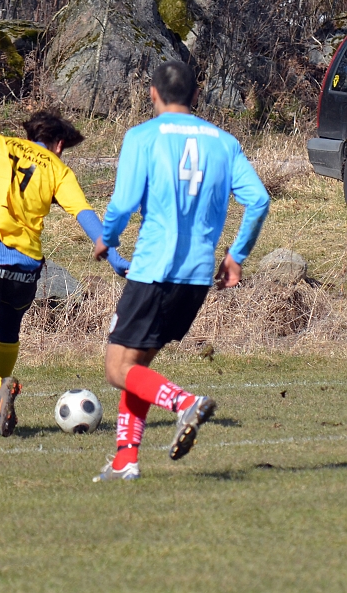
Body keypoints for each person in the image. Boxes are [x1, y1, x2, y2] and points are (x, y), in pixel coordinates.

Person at [90, 61, 270, 481]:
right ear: (196, 96)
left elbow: (124, 200)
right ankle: (124, 461)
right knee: (137, 368)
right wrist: (236, 256)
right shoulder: (224, 142)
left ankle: (185, 403)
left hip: (154, 270)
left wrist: (108, 238)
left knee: (117, 369)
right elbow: (258, 200)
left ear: (152, 93)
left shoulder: (142, 136)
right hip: (195, 278)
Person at [0, 109, 130, 436]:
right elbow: (85, 215)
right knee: (8, 331)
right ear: (58, 145)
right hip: (27, 266)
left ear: (31, 136)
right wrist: (114, 257)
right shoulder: (59, 169)